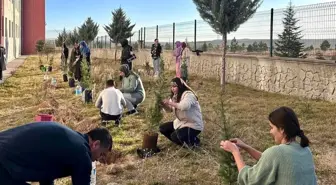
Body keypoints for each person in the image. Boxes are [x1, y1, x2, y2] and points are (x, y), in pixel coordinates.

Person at [220, 106, 317, 185]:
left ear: (282, 129)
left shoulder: (277, 153)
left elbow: (249, 180)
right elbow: (269, 160)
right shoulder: (305, 150)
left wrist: (235, 152)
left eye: (271, 127)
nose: (270, 131)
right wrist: (245, 146)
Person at [0, 121, 113, 185]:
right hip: (5, 161)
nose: (99, 159)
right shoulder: (82, 154)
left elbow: (47, 168)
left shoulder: (72, 140)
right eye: (102, 154)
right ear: (96, 144)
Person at [160, 77, 203, 147]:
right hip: (181, 122)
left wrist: (170, 103)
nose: (172, 88)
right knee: (163, 128)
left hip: (193, 124)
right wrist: (164, 105)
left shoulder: (189, 95)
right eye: (171, 87)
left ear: (180, 86)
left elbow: (184, 106)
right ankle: (182, 143)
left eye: (174, 86)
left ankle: (195, 142)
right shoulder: (175, 96)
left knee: (175, 136)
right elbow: (169, 110)